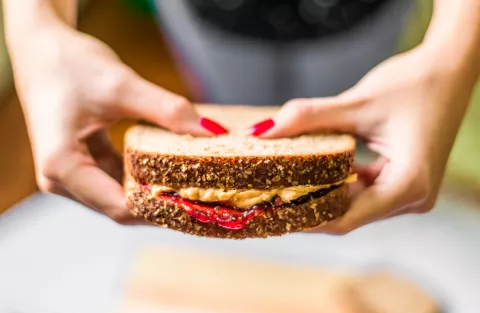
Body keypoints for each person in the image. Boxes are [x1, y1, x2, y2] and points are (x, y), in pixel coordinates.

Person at [2, 0, 479, 234]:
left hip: (360, 13)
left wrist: (454, 49)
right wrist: (37, 28)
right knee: (228, 96)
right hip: (207, 14)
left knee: (345, 105)